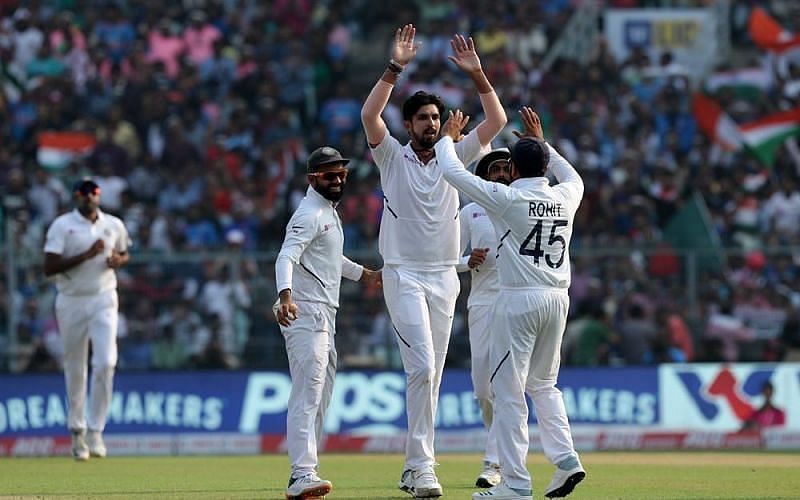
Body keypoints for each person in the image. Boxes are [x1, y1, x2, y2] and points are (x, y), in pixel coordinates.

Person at [361, 24, 507, 498]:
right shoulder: (391, 159)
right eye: (421, 118)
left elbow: (497, 122)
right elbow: (369, 114)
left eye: (434, 118)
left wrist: (478, 74)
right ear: (408, 125)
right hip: (402, 275)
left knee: (432, 375)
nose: (428, 123)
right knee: (422, 366)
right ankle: (423, 467)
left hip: (446, 277)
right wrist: (395, 65)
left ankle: (413, 466)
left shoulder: (455, 157)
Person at [435, 107, 586, 500]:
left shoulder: (506, 199)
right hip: (558, 299)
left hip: (518, 301)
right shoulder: (564, 196)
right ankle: (566, 458)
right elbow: (573, 176)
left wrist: (448, 138)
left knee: (508, 393)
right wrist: (543, 143)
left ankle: (516, 485)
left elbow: (453, 173)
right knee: (545, 384)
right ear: (544, 167)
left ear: (514, 170)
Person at [274, 146, 381, 500]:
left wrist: (363, 274)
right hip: (305, 311)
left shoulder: (327, 212)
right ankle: (301, 472)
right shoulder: (308, 213)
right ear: (312, 179)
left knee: (320, 395)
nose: (337, 180)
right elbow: (286, 255)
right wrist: (286, 295)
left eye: (341, 174)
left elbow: (332, 258)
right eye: (329, 175)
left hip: (325, 313)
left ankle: (307, 470)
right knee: (308, 390)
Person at [43, 179, 131, 461]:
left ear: (99, 196)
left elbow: (124, 253)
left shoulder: (114, 224)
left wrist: (118, 260)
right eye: (83, 194)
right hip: (70, 299)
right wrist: (87, 255)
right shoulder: (61, 225)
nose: (89, 198)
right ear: (76, 196)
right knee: (75, 365)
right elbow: (49, 267)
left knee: (106, 362)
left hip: (104, 297)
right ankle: (77, 431)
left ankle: (96, 430)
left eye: (93, 194)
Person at [457, 148, 512, 489]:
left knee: (506, 385)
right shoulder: (470, 212)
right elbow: (448, 259)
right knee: (482, 389)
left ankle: (495, 462)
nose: (501, 174)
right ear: (484, 176)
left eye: (507, 168)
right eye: (495, 169)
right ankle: (501, 452)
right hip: (481, 303)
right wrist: (467, 261)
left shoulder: (520, 204)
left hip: (516, 302)